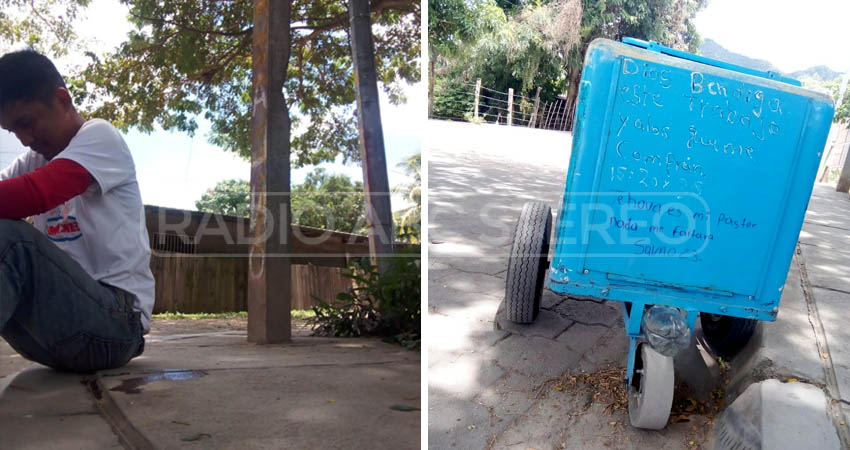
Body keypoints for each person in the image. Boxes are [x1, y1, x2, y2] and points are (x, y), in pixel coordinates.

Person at [0, 49, 153, 373]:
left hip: (117, 324)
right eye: (13, 131)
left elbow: (35, 193)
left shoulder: (100, 137)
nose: (25, 139)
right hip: (49, 336)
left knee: (12, 240)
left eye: (27, 123)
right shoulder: (32, 160)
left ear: (63, 100)